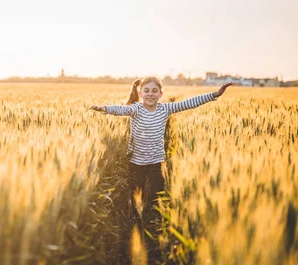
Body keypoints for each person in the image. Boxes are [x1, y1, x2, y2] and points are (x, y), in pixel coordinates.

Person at [88, 77, 233, 264]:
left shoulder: (165, 109)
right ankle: (137, 225)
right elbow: (121, 109)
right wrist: (105, 109)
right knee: (135, 194)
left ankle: (153, 224)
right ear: (140, 94)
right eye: (146, 91)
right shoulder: (136, 109)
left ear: (160, 94)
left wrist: (215, 94)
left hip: (157, 161)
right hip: (136, 162)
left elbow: (188, 103)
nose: (150, 94)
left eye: (154, 91)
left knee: (157, 194)